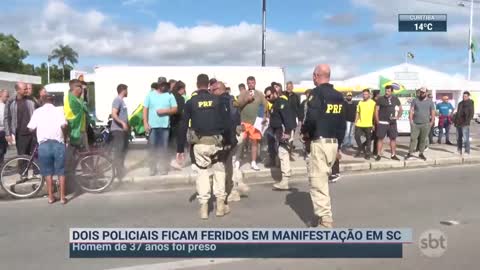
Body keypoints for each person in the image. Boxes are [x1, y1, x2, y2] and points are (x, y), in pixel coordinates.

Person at [176, 74, 232, 220]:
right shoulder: (217, 100)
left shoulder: (191, 102)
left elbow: (182, 126)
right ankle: (220, 206)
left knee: (202, 174)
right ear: (208, 85)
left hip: (199, 145)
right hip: (216, 144)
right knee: (219, 171)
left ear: (196, 84)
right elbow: (227, 123)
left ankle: (204, 208)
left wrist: (180, 149)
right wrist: (230, 142)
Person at [301, 64, 346, 228]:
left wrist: (305, 132)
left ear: (316, 76)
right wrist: (339, 145)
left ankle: (325, 222)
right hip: (333, 143)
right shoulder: (338, 96)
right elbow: (342, 124)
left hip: (319, 143)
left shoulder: (316, 93)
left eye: (314, 76)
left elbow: (311, 118)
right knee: (324, 182)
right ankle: (323, 218)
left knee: (317, 183)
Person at [211, 81, 249, 202]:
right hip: (236, 134)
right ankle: (235, 188)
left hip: (231, 136)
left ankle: (232, 191)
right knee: (231, 163)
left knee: (227, 165)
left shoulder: (222, 101)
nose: (211, 93)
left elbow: (229, 120)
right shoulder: (232, 99)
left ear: (218, 89)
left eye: (212, 90)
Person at [27, 94, 67, 204]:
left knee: (47, 172)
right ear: (53, 101)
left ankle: (50, 197)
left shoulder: (37, 112)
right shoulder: (59, 110)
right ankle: (62, 198)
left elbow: (30, 128)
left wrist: (39, 132)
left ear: (42, 101)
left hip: (44, 145)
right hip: (58, 144)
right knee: (61, 172)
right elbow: (64, 125)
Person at [143, 79, 178, 176]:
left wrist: (165, 111)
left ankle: (163, 168)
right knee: (152, 148)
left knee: (164, 148)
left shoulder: (170, 95)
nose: (164, 86)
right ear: (158, 85)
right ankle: (152, 169)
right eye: (162, 85)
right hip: (152, 127)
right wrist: (145, 123)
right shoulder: (150, 95)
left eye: (165, 84)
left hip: (165, 127)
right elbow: (145, 109)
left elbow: (175, 109)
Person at [266, 87, 296, 190]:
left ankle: (285, 180)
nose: (267, 98)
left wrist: (287, 133)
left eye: (269, 96)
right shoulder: (275, 104)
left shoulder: (282, 103)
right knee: (281, 153)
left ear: (275, 93)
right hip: (278, 133)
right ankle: (285, 178)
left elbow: (288, 118)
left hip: (284, 132)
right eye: (266, 96)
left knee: (283, 153)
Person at [236, 76, 268, 170]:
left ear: (255, 83)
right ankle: (238, 160)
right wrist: (247, 100)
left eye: (252, 83)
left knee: (254, 143)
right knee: (241, 142)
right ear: (247, 84)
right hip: (244, 122)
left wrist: (265, 117)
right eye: (249, 83)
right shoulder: (243, 93)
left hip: (256, 123)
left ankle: (253, 162)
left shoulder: (260, 94)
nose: (251, 84)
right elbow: (238, 104)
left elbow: (265, 106)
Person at [5, 82, 36, 160]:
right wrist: (8, 133)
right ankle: (23, 172)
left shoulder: (32, 100)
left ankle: (36, 172)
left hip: (33, 133)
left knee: (35, 158)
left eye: (27, 88)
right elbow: (7, 118)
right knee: (22, 158)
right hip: (20, 135)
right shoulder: (11, 101)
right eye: (25, 89)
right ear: (18, 90)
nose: (27, 90)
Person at [405, 87, 435, 161]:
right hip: (415, 124)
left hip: (425, 124)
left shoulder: (430, 102)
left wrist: (432, 121)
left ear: (426, 93)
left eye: (423, 92)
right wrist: (411, 120)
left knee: (423, 140)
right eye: (421, 92)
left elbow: (433, 112)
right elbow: (411, 110)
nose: (422, 94)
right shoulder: (415, 100)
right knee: (413, 139)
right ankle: (410, 153)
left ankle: (421, 153)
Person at [374, 85, 403, 161]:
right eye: (386, 91)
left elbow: (401, 109)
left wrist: (397, 117)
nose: (387, 92)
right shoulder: (380, 99)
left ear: (392, 92)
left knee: (393, 139)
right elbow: (376, 110)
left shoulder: (395, 99)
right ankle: (379, 154)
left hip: (392, 123)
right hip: (382, 122)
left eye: (388, 91)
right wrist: (377, 121)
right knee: (380, 139)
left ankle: (393, 155)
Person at [64, 79, 90, 150]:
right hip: (75, 132)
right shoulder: (70, 99)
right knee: (74, 156)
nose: (83, 91)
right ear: (77, 88)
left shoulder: (79, 99)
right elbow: (80, 111)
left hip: (82, 131)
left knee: (85, 155)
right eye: (81, 88)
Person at [111, 84, 129, 179]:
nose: (128, 92)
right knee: (119, 151)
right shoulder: (117, 100)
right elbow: (113, 114)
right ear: (123, 90)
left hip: (122, 130)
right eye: (127, 90)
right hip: (118, 130)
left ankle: (120, 170)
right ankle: (118, 173)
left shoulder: (122, 101)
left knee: (123, 150)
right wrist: (122, 123)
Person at [354, 89, 376, 160]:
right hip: (359, 124)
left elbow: (375, 114)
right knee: (356, 137)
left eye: (366, 94)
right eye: (363, 94)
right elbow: (357, 112)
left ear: (369, 95)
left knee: (368, 140)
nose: (364, 96)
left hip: (369, 124)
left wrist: (374, 124)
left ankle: (367, 154)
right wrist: (355, 121)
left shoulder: (373, 103)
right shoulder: (360, 102)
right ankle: (360, 148)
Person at [454, 91, 475, 155]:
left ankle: (467, 151)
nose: (464, 97)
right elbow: (458, 112)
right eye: (463, 96)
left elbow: (471, 113)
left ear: (468, 96)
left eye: (465, 96)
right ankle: (459, 150)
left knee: (465, 138)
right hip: (458, 122)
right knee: (458, 137)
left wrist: (468, 121)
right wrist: (455, 119)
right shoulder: (460, 103)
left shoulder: (470, 103)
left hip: (465, 123)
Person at [169, 81, 186, 157]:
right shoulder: (181, 98)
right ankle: (177, 158)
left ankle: (168, 157)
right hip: (178, 122)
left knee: (170, 142)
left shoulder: (170, 95)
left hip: (169, 121)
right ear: (181, 89)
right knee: (178, 142)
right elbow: (179, 111)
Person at [0, 89, 10, 164]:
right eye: (6, 96)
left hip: (4, 131)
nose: (7, 98)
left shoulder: (7, 106)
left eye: (8, 96)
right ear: (1, 95)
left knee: (3, 151)